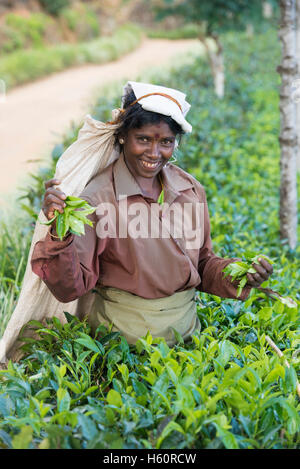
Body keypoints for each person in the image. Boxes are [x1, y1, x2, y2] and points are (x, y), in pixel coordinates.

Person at [30, 81, 273, 346]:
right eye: (143, 139)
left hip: (186, 336)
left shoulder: (189, 190)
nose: (154, 153)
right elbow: (70, 288)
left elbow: (201, 265)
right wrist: (60, 229)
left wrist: (242, 274)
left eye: (166, 142)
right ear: (123, 136)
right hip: (121, 344)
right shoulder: (97, 199)